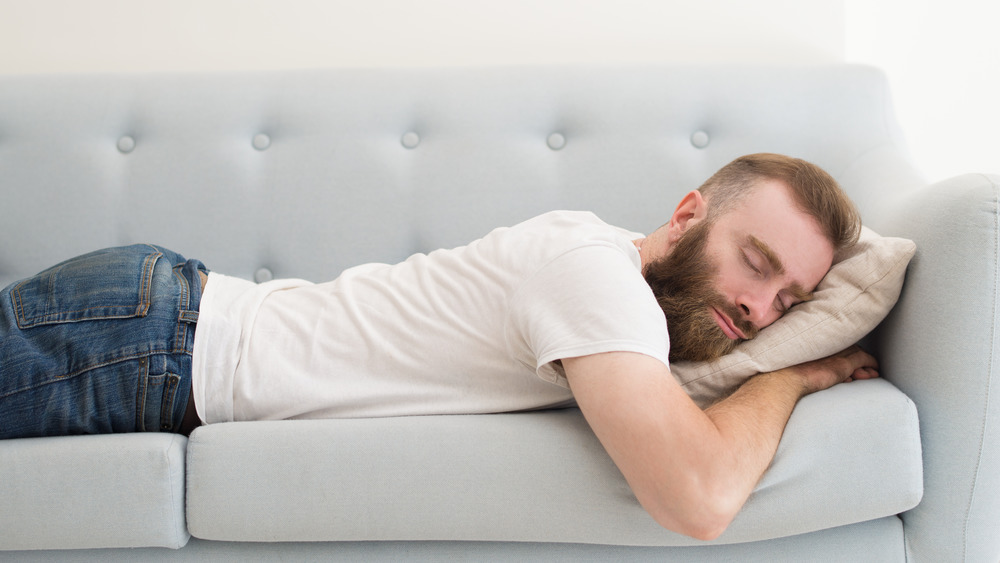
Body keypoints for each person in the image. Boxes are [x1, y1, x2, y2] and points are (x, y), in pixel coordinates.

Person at [0, 153, 879, 540]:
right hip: (143, 341)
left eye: (790, 303)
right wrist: (796, 374)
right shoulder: (595, 277)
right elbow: (697, 495)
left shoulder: (622, 299)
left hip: (157, 330)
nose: (759, 310)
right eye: (754, 263)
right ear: (689, 212)